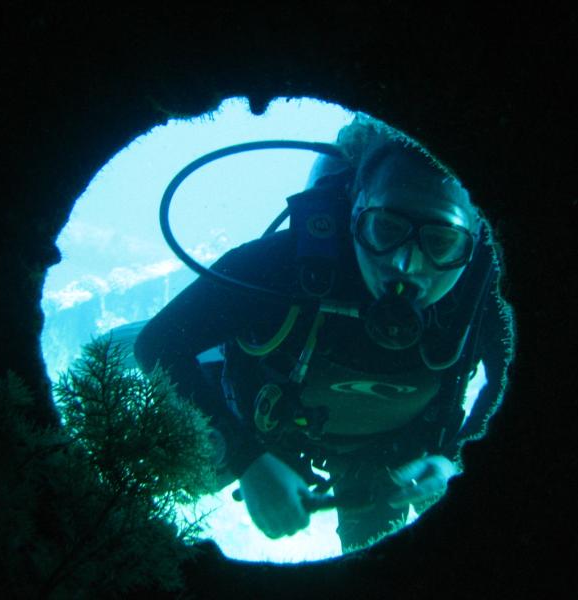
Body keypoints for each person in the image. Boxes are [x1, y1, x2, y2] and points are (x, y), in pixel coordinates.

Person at [134, 115, 512, 552]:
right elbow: (158, 344)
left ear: (473, 242)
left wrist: (454, 460)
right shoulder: (280, 266)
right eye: (386, 228)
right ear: (355, 210)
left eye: (440, 242)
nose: (405, 265)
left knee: (380, 560)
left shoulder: (487, 294)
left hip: (388, 459)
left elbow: (512, 379)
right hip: (265, 432)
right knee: (160, 471)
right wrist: (244, 458)